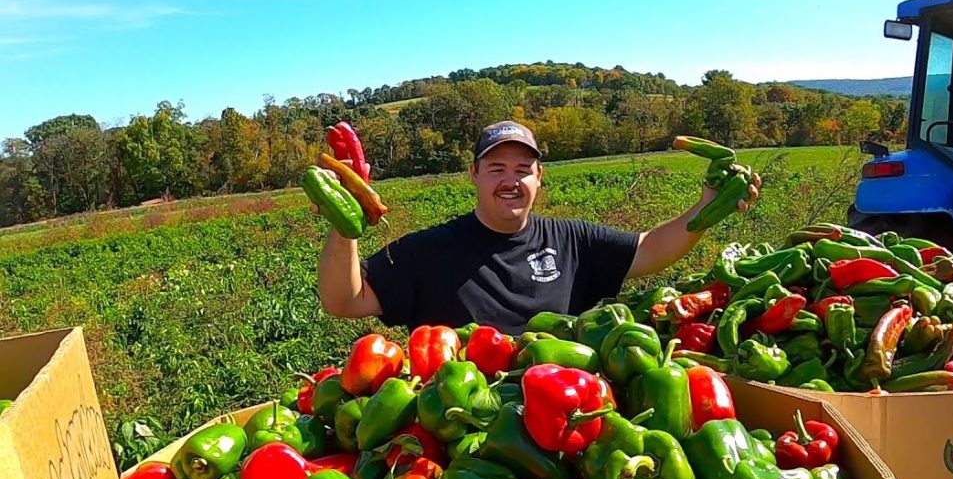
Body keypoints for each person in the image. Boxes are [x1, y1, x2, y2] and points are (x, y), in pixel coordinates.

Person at [315, 120, 761, 335]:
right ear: (474, 174)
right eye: (496, 169)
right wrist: (345, 221)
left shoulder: (571, 240)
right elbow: (344, 300)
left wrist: (707, 207)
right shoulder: (428, 251)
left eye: (523, 169)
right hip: (466, 440)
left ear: (539, 178)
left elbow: (650, 249)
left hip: (565, 418)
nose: (511, 181)